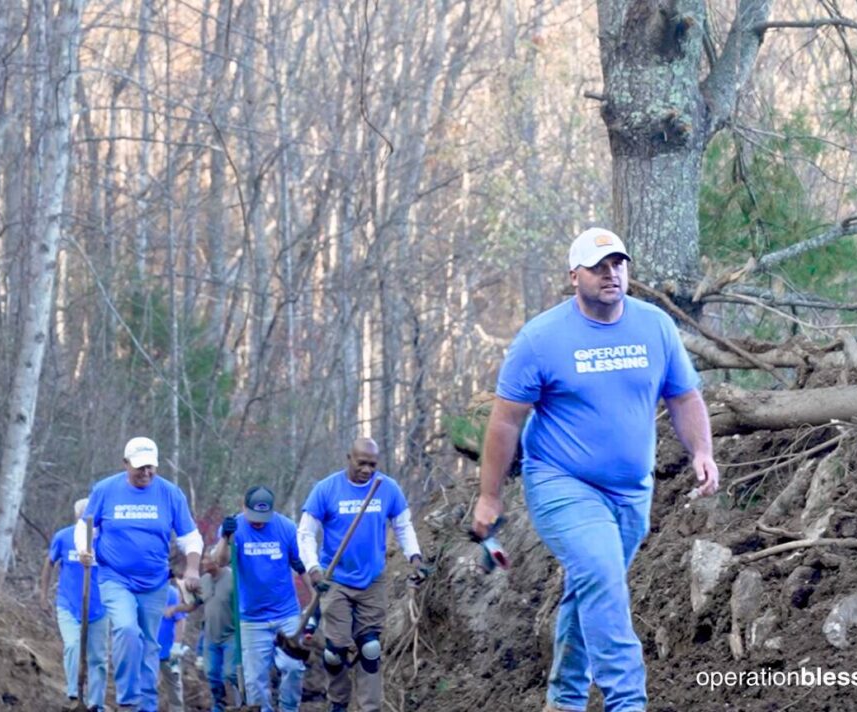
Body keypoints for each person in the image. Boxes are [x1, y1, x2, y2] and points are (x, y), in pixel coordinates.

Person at [471, 227, 719, 712]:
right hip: (561, 483)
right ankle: (626, 701)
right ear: (574, 276)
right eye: (599, 266)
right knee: (604, 578)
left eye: (618, 264)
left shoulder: (655, 327)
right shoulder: (541, 339)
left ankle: (563, 700)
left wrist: (701, 451)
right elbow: (504, 423)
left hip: (630, 492)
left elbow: (684, 395)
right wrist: (489, 496)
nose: (611, 274)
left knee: (592, 586)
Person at [297, 437, 430, 712]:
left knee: (370, 648)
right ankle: (338, 703)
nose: (367, 470)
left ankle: (371, 707)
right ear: (349, 458)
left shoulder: (387, 488)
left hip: (372, 580)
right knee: (335, 652)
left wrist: (414, 557)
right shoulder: (326, 490)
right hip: (335, 579)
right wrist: (313, 569)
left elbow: (403, 526)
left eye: (373, 464)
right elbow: (306, 533)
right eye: (362, 463)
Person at [76, 436, 204, 712]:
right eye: (139, 467)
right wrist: (85, 548)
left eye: (150, 467)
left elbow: (190, 537)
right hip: (115, 577)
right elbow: (85, 525)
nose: (146, 473)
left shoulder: (170, 493)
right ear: (125, 464)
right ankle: (128, 699)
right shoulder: (105, 490)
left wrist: (192, 567)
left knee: (150, 644)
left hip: (155, 582)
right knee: (125, 629)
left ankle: (146, 704)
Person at [215, 485, 308, 712]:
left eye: (263, 518)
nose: (259, 522)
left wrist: (316, 598)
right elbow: (220, 561)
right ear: (243, 507)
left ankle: (289, 709)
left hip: (286, 614)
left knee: (294, 667)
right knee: (254, 680)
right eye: (254, 517)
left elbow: (300, 565)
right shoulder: (234, 528)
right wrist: (225, 537)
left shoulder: (285, 527)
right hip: (251, 618)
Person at [40, 498, 109, 712]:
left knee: (98, 656)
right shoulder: (63, 537)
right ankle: (73, 693)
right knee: (72, 645)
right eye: (81, 517)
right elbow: (49, 564)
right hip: (68, 605)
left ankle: (95, 702)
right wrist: (43, 595)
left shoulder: (106, 540)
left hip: (99, 608)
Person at [171, 550, 240, 712]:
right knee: (212, 674)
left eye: (206, 559)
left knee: (230, 674)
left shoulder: (232, 579)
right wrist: (175, 608)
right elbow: (193, 604)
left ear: (216, 560)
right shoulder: (204, 581)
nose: (202, 563)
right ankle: (219, 706)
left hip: (231, 635)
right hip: (211, 636)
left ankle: (240, 704)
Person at [158, 580, 188, 712]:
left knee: (174, 689)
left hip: (168, 651)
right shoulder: (144, 591)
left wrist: (176, 645)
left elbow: (180, 620)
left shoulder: (172, 593)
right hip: (149, 651)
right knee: (146, 687)